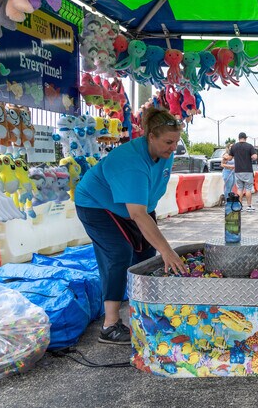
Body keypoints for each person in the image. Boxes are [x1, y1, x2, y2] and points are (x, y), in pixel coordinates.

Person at [75, 108, 187, 344]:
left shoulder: (165, 153)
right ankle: (110, 324)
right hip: (96, 204)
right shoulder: (130, 161)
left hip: (137, 206)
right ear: (150, 137)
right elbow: (137, 214)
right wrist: (168, 250)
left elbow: (144, 207)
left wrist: (159, 248)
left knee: (147, 255)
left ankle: (144, 312)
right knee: (118, 253)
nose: (173, 147)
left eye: (176, 141)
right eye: (168, 141)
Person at [228, 132, 258, 212]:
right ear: (246, 138)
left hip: (238, 171)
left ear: (238, 138)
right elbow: (254, 157)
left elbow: (229, 158)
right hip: (248, 170)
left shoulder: (234, 147)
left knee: (239, 189)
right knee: (248, 189)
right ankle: (249, 206)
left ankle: (239, 206)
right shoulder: (249, 146)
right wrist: (252, 156)